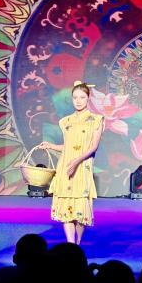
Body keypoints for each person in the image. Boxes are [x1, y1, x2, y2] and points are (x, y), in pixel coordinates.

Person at [44, 81, 104, 244]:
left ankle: (77, 244)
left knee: (79, 211)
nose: (78, 101)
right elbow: (68, 146)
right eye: (75, 97)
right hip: (65, 167)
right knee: (66, 208)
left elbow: (93, 147)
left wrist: (76, 162)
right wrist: (51, 146)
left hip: (82, 167)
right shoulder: (65, 121)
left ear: (88, 98)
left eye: (82, 97)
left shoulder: (96, 120)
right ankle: (71, 244)